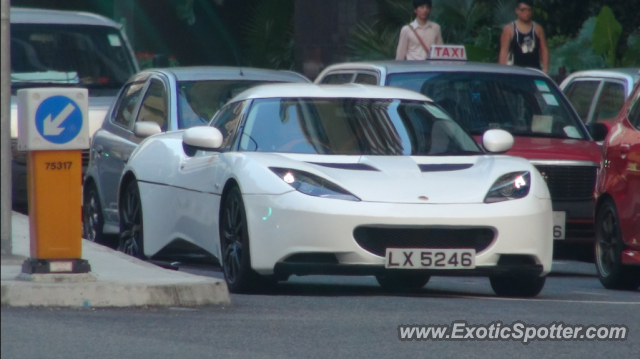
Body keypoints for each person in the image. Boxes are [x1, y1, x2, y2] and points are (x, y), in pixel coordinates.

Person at [499, 0, 549, 73]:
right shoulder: (509, 29)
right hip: (516, 71)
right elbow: (504, 51)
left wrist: (545, 68)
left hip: (535, 70)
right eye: (523, 10)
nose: (527, 13)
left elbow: (544, 50)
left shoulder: (538, 29)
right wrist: (502, 70)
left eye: (529, 10)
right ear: (517, 11)